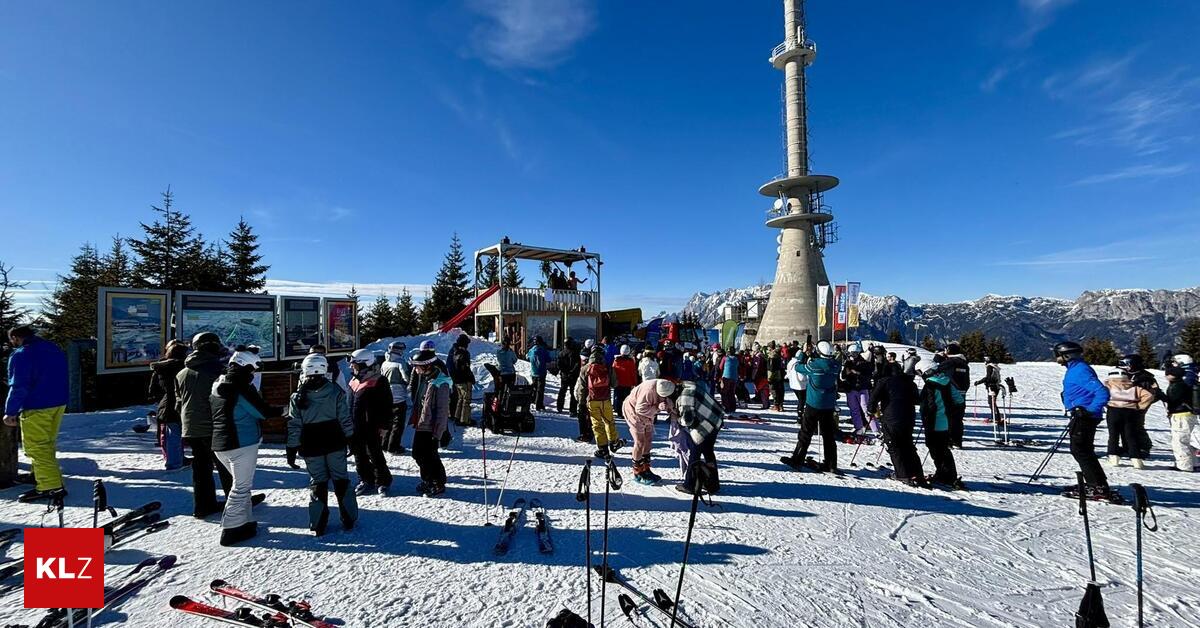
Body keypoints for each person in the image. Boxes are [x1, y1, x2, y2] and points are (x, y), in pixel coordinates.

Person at [210, 348, 277, 546]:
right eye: (252, 370)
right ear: (245, 367)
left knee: (240, 485)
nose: (253, 374)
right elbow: (262, 412)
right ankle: (231, 529)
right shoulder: (241, 387)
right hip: (241, 442)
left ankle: (244, 521)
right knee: (240, 488)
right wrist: (284, 410)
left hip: (219, 443)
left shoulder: (218, 383)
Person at [287, 353, 358, 536]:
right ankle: (349, 517)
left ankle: (318, 523)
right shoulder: (335, 391)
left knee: (318, 482)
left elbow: (294, 424)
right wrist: (351, 439)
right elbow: (345, 419)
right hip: (335, 441)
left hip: (311, 445)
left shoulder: (298, 396)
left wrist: (291, 448)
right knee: (341, 479)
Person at [3, 326, 68, 502]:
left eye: (12, 340)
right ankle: (38, 474)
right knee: (47, 442)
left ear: (16, 338)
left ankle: (50, 486)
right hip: (58, 402)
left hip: (36, 405)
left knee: (37, 447)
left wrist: (10, 411)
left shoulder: (21, 354)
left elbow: (19, 385)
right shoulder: (52, 348)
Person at [1054, 341, 1119, 501]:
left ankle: (1097, 487)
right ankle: (1096, 484)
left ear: (1066, 355)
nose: (1057, 359)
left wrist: (1089, 410)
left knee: (1081, 450)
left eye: (1058, 355)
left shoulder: (1080, 370)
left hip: (1085, 417)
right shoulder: (1076, 369)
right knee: (1082, 450)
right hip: (1081, 415)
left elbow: (1102, 392)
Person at [178, 332, 233, 518]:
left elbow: (180, 400)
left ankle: (203, 505)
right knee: (226, 465)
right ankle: (236, 502)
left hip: (191, 426)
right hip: (213, 424)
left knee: (201, 468)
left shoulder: (183, 372)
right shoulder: (218, 370)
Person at [781, 341, 842, 473]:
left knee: (806, 432)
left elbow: (797, 367)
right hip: (828, 404)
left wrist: (803, 353)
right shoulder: (836, 365)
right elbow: (837, 360)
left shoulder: (814, 365)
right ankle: (831, 464)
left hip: (813, 404)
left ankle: (798, 459)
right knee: (828, 435)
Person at [347, 348, 393, 495]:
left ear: (364, 364)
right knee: (358, 454)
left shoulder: (379, 381)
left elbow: (386, 405)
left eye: (354, 364)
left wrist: (385, 426)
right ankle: (366, 479)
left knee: (374, 454)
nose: (351, 367)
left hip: (371, 426)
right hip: (355, 425)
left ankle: (383, 481)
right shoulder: (354, 380)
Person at [869, 368, 924, 486]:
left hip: (891, 418)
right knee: (908, 445)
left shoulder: (884, 381)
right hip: (908, 417)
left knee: (894, 446)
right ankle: (917, 473)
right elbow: (917, 400)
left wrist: (871, 410)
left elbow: (873, 397)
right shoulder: (910, 383)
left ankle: (902, 474)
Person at [668, 380, 723, 495]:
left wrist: (678, 419)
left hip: (706, 424)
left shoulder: (685, 399)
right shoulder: (688, 386)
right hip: (716, 418)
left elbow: (688, 421)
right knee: (708, 452)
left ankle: (690, 485)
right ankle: (713, 484)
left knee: (695, 453)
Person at [410, 348, 450, 496]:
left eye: (417, 366)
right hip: (422, 423)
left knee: (430, 455)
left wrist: (438, 433)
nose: (414, 369)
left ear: (426, 366)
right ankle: (428, 478)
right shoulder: (426, 379)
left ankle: (437, 482)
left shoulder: (441, 382)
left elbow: (442, 411)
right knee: (418, 453)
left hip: (431, 426)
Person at [622, 379, 678, 485]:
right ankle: (637, 472)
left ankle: (646, 469)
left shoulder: (666, 385)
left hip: (647, 413)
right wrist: (657, 408)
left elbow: (667, 400)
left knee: (648, 439)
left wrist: (672, 409)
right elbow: (640, 409)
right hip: (634, 411)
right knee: (640, 442)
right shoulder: (648, 391)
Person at [919, 360, 964, 489]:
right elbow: (959, 400)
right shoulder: (947, 382)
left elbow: (927, 406)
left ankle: (945, 476)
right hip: (946, 422)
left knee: (935, 449)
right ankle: (948, 474)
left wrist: (926, 417)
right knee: (943, 449)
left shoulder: (930, 385)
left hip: (933, 423)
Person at [148, 340, 189, 471]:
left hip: (166, 404)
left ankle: (174, 459)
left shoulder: (160, 368)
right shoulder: (185, 368)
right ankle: (175, 462)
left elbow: (153, 390)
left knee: (171, 434)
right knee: (177, 434)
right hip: (183, 403)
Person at [1102, 370, 1155, 469]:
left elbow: (1102, 395)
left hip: (1114, 411)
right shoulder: (1134, 387)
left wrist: (1106, 403)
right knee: (1130, 436)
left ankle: (1114, 458)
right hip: (1131, 412)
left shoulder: (1109, 386)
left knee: (1113, 435)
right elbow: (1149, 396)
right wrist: (1139, 406)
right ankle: (1136, 460)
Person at [921, 344, 970, 447]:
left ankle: (948, 440)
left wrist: (938, 356)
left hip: (950, 391)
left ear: (949, 351)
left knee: (948, 416)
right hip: (962, 393)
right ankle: (957, 441)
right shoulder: (964, 363)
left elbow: (935, 369)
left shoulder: (951, 362)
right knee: (958, 418)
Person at [1120, 354, 1158, 459]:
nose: (1125, 367)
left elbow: (1154, 392)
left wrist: (1142, 404)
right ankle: (1127, 446)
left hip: (1139, 404)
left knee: (1137, 425)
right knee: (1124, 425)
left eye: (1126, 364)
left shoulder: (1145, 377)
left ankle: (1144, 447)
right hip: (1125, 403)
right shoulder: (1126, 374)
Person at [584, 351, 622, 458]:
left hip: (592, 400)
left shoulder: (586, 369)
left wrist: (582, 401)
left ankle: (603, 448)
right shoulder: (608, 368)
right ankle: (614, 443)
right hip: (605, 400)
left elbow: (581, 387)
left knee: (597, 424)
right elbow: (615, 384)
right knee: (609, 421)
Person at [380, 341, 412, 455]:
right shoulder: (400, 363)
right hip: (398, 395)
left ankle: (384, 444)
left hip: (385, 395)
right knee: (398, 423)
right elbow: (406, 378)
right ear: (398, 350)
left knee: (387, 421)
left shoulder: (384, 363)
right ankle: (393, 446)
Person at [1164, 367, 1196, 472]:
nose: (1165, 376)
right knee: (1183, 440)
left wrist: (1160, 395)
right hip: (1184, 415)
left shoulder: (1178, 386)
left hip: (1181, 416)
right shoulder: (1181, 384)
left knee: (1180, 441)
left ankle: (1185, 466)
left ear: (1173, 375)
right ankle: (1191, 463)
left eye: (1167, 374)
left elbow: (1173, 399)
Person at [841, 351, 874, 437]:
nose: (852, 357)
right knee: (854, 410)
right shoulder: (848, 363)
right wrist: (847, 372)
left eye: (853, 355)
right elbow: (843, 376)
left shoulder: (863, 363)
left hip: (862, 388)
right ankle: (859, 428)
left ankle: (876, 430)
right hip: (851, 388)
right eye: (850, 355)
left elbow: (868, 375)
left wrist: (857, 372)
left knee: (866, 409)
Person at [448, 334, 476, 427]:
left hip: (456, 379)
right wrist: (471, 377)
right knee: (466, 400)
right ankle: (464, 420)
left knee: (460, 399)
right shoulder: (463, 353)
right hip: (463, 379)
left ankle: (457, 417)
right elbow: (465, 368)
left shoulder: (453, 351)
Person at [612, 345, 638, 419]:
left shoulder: (616, 360)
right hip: (628, 383)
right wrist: (634, 382)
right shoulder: (631, 361)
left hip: (618, 382)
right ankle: (625, 412)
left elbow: (614, 371)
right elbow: (633, 372)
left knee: (618, 397)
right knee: (626, 399)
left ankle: (619, 411)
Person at [975, 356, 1003, 424]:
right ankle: (996, 417)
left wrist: (978, 382)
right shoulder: (995, 367)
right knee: (992, 402)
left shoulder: (989, 366)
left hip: (992, 387)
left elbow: (988, 377)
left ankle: (996, 418)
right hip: (996, 386)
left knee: (991, 403)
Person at [556, 338, 580, 415]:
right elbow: (577, 365)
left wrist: (564, 372)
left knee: (562, 390)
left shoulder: (561, 353)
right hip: (572, 375)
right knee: (573, 392)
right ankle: (572, 410)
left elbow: (558, 365)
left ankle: (559, 407)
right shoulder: (574, 353)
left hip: (564, 375)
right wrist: (572, 372)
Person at [526, 336, 550, 411]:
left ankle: (533, 401)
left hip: (533, 372)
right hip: (541, 372)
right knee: (540, 389)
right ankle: (539, 405)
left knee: (534, 388)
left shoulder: (531, 350)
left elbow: (527, 357)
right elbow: (548, 359)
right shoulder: (543, 350)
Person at [786, 349, 808, 421]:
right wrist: (807, 379)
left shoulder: (791, 362)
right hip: (800, 385)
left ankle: (800, 414)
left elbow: (788, 372)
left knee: (800, 400)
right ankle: (800, 416)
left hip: (793, 384)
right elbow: (801, 377)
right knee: (802, 401)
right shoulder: (799, 364)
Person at [766, 344, 786, 412]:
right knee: (780, 390)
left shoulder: (772, 357)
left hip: (774, 377)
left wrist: (769, 378)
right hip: (780, 376)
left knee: (774, 391)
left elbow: (770, 369)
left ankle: (776, 405)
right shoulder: (779, 357)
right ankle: (781, 405)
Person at [718, 348, 739, 413]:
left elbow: (720, 367)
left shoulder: (725, 358)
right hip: (734, 377)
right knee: (731, 392)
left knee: (724, 392)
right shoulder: (736, 358)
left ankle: (726, 407)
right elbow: (738, 366)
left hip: (726, 377)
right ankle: (733, 407)